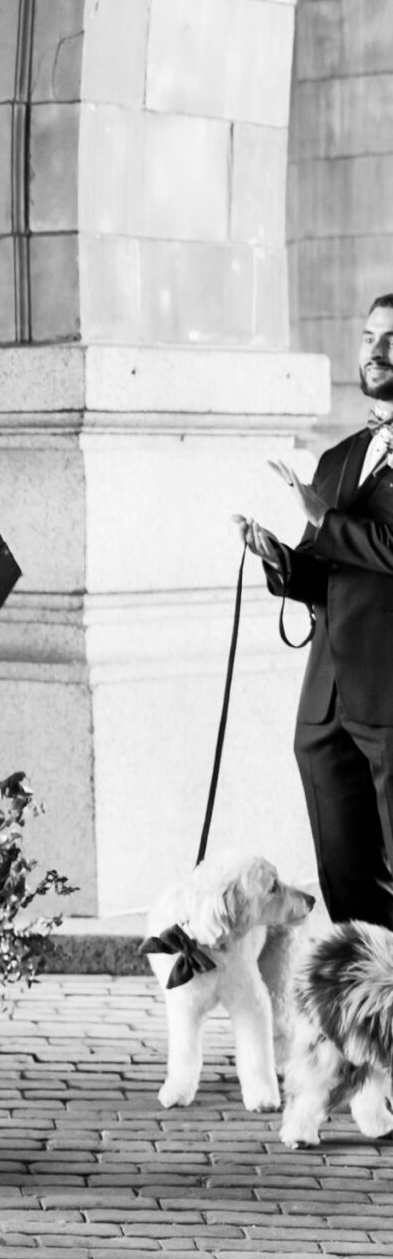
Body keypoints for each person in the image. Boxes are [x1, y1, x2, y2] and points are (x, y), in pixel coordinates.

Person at [237, 291, 393, 928]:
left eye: (392, 340)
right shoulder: (339, 458)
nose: (376, 352)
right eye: (367, 337)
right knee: (346, 883)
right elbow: (323, 571)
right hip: (326, 707)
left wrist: (323, 518)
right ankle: (367, 1016)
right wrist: (277, 558)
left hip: (388, 701)